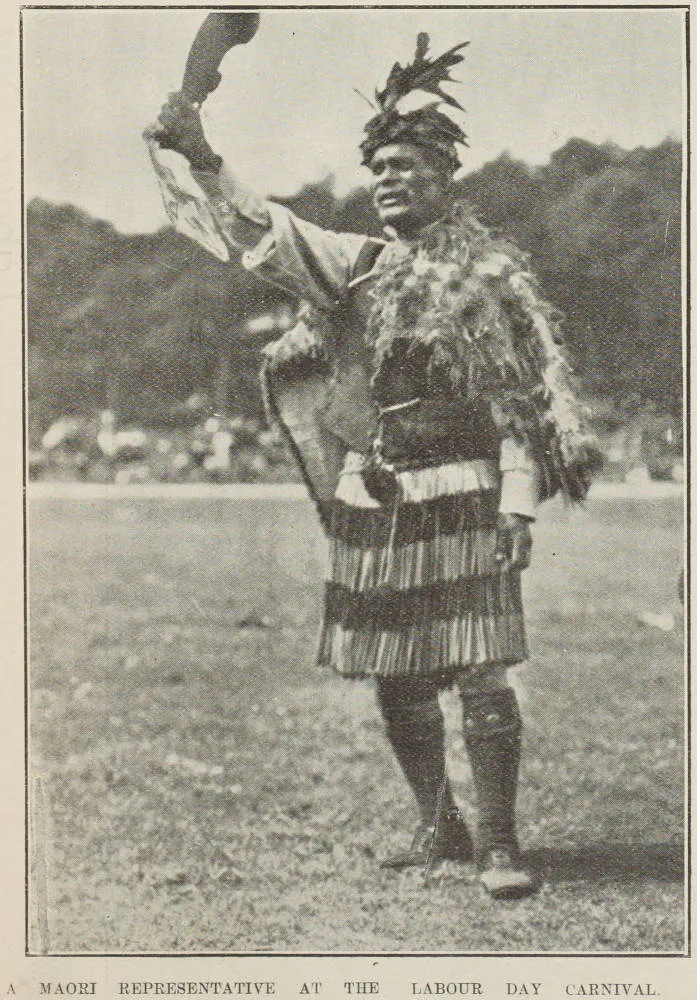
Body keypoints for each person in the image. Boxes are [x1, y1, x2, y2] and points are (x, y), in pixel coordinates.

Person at [149, 33, 598, 901]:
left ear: (444, 176)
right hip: (376, 495)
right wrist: (202, 154)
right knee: (395, 671)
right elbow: (265, 227)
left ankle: (498, 842)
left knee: (480, 666)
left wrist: (517, 507)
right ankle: (439, 825)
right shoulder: (355, 266)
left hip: (465, 493)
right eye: (378, 168)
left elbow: (519, 403)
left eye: (405, 166)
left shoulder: (490, 277)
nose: (387, 179)